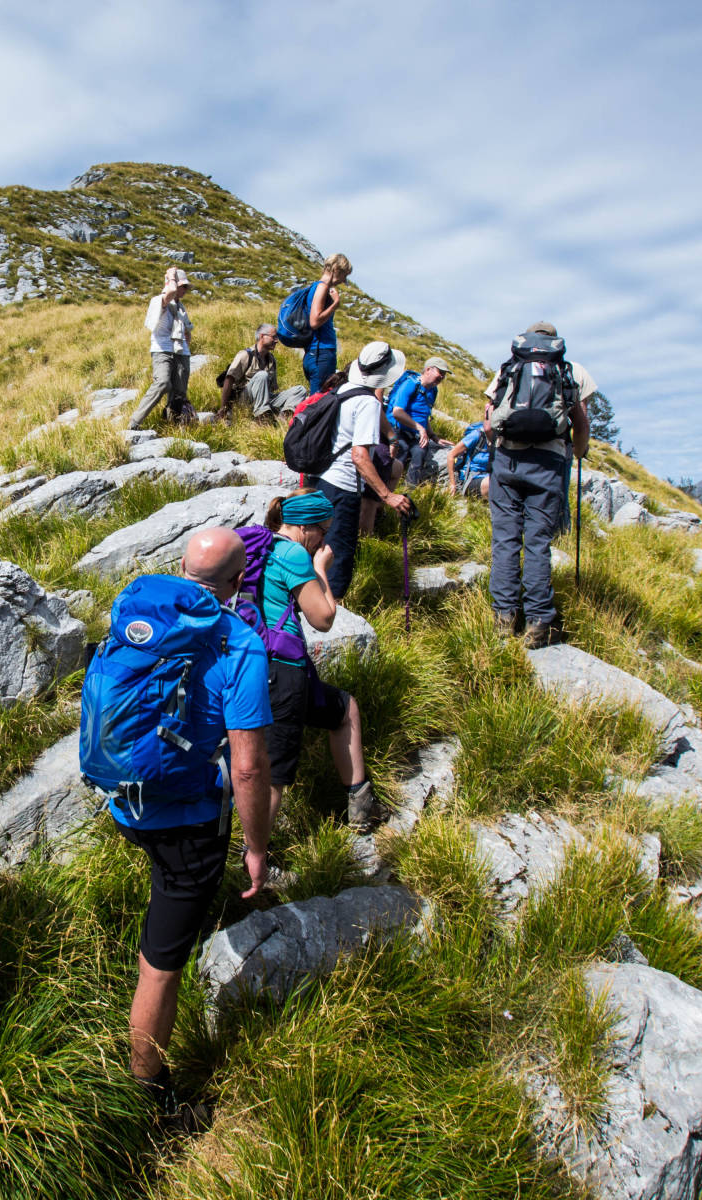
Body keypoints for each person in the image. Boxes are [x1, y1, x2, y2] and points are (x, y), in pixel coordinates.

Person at [100, 528, 273, 1116]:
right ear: (238, 583)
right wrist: (255, 845)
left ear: (180, 566)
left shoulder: (137, 608)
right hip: (187, 822)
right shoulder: (240, 643)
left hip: (127, 799)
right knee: (162, 965)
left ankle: (178, 923)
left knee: (170, 900)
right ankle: (152, 1099)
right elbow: (249, 768)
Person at [257, 490, 376, 829]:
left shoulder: (261, 544)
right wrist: (320, 568)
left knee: (343, 708)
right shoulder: (293, 553)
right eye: (323, 530)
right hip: (282, 672)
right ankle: (254, 863)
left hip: (253, 661)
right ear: (306, 527)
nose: (323, 538)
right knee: (274, 775)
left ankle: (361, 801)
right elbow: (323, 618)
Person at [483, 321, 593, 647]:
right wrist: (579, 450)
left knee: (505, 542)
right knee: (537, 544)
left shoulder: (512, 365)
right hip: (547, 465)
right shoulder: (569, 369)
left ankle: (504, 618)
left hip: (507, 461)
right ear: (554, 341)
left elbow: (490, 418)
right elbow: (581, 421)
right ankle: (538, 623)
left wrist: (497, 448)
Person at [315, 342, 415, 599]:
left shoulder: (343, 390)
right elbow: (359, 456)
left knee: (321, 548)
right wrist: (387, 495)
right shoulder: (368, 402)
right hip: (344, 486)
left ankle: (313, 604)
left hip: (323, 479)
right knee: (339, 555)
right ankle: (332, 616)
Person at [130, 268, 195, 429]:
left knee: (179, 392)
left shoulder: (181, 307)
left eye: (186, 287)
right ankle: (135, 422)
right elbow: (171, 291)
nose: (184, 290)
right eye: (182, 286)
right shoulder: (160, 300)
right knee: (163, 383)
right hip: (162, 349)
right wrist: (171, 275)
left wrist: (186, 346)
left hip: (180, 352)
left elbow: (187, 331)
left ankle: (171, 424)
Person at [387, 357, 453, 485]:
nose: (442, 377)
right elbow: (397, 412)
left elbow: (424, 416)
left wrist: (434, 436)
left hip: (416, 434)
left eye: (444, 374)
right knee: (403, 448)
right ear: (428, 369)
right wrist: (420, 428)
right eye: (440, 372)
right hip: (398, 429)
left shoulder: (433, 391)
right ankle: (390, 485)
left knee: (419, 453)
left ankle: (409, 491)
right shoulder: (410, 384)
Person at [217, 324, 302, 419]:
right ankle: (262, 417)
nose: (276, 340)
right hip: (244, 401)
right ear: (262, 336)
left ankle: (283, 416)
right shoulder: (245, 355)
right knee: (262, 375)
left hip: (265, 398)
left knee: (300, 390)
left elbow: (272, 389)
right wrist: (223, 408)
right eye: (273, 337)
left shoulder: (272, 360)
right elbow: (228, 380)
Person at [302, 254, 352, 393]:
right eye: (344, 275)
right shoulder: (322, 287)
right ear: (336, 270)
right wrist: (335, 304)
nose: (343, 281)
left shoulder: (317, 287)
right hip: (321, 352)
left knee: (319, 397)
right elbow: (314, 321)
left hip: (317, 353)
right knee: (318, 400)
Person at [447, 421, 493, 500]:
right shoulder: (478, 435)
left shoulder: (501, 440)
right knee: (494, 483)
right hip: (471, 478)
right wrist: (452, 484)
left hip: (489, 476)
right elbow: (451, 455)